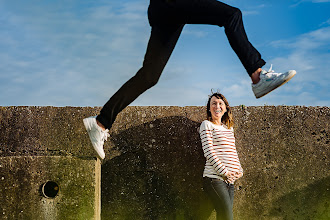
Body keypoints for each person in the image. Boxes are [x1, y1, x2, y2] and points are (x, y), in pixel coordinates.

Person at [83, 0, 296, 159]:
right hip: (171, 3)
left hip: (163, 9)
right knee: (231, 15)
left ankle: (100, 122)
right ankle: (258, 76)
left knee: (149, 75)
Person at [199, 92, 243, 220]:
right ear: (209, 107)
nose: (217, 106)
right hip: (214, 178)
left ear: (225, 108)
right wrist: (225, 172)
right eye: (213, 103)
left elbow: (233, 151)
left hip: (230, 181)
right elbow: (209, 152)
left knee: (223, 216)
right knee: (227, 216)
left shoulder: (229, 128)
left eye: (220, 103)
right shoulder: (206, 125)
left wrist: (240, 171)